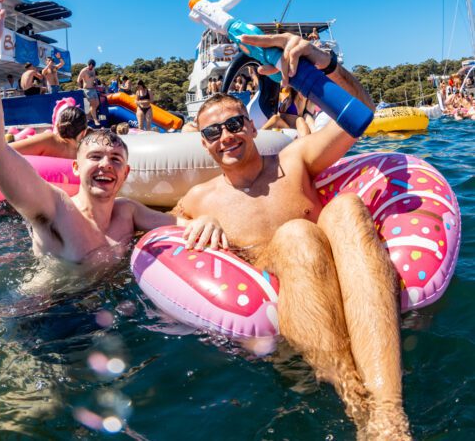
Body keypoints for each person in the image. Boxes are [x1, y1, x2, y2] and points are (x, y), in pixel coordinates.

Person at [174, 31, 410, 439]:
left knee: (347, 207)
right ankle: (359, 407)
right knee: (298, 233)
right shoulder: (199, 199)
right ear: (204, 143)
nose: (226, 136)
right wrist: (191, 224)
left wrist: (324, 64)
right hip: (292, 294)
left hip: (351, 276)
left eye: (233, 124)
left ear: (250, 124)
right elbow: (154, 228)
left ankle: (389, 414)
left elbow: (362, 114)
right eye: (214, 132)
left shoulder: (293, 159)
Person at [0, 0, 226, 265]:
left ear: (126, 172)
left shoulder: (127, 212)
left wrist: (208, 220)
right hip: (50, 306)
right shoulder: (54, 207)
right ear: (76, 166)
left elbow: (181, 222)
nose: (106, 164)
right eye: (95, 157)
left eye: (115, 159)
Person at [10, 106, 89, 158]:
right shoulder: (84, 155)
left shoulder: (50, 141)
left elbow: (4, 152)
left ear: (57, 126)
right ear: (83, 133)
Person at [77, 59, 100, 125]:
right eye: (92, 66)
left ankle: (88, 116)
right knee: (93, 104)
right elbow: (78, 80)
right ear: (89, 65)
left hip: (93, 89)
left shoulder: (93, 70)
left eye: (93, 67)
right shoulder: (84, 70)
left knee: (97, 104)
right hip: (87, 89)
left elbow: (95, 78)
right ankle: (95, 120)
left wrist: (95, 82)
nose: (92, 68)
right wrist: (79, 88)